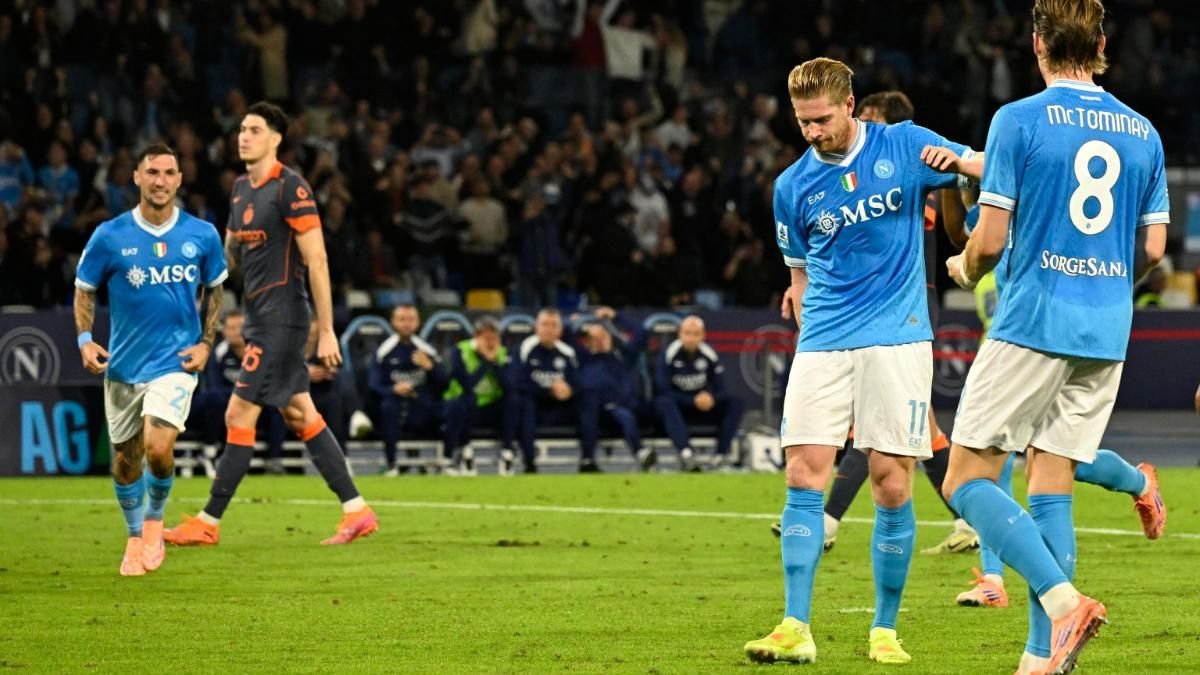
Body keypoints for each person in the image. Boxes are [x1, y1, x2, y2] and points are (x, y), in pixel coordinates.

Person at [941, 2, 1169, 672]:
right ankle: (1041, 656)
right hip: (1107, 328)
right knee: (1051, 478)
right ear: (1101, 43)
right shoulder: (1144, 131)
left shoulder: (1017, 120)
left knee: (966, 478)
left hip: (1035, 320)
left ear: (1037, 43)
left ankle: (1064, 604)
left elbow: (989, 240)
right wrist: (1109, 283)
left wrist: (965, 267)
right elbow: (1155, 248)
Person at [743, 57, 981, 666]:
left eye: (822, 119)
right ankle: (794, 625)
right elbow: (797, 273)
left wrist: (961, 168)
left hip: (897, 339)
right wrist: (804, 315)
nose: (813, 132)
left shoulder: (904, 144)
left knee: (891, 481)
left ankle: (884, 628)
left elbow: (986, 166)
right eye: (803, 122)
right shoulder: (792, 187)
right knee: (803, 474)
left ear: (850, 105)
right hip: (824, 340)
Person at [941, 166, 1166, 613]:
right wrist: (956, 187)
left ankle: (1139, 482)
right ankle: (1001, 585)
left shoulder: (1041, 207)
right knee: (1025, 466)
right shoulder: (1000, 214)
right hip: (1016, 346)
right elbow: (962, 231)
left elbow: (969, 241)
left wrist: (961, 176)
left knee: (1030, 465)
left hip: (1041, 338)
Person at [166, 102, 377, 547]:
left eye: (255, 130)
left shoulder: (290, 188)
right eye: (242, 129)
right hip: (259, 318)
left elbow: (317, 260)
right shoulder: (241, 189)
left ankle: (208, 520)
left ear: (276, 138)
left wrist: (326, 329)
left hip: (284, 320)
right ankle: (356, 510)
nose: (244, 136)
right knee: (300, 413)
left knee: (238, 413)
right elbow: (228, 257)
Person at [815, 90, 977, 555]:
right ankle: (968, 519)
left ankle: (827, 521)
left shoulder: (908, 172)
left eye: (870, 116)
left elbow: (955, 230)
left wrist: (955, 179)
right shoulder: (860, 173)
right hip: (878, 306)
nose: (860, 123)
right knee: (917, 427)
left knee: (878, 421)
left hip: (908, 306)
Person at [73, 142, 228, 575]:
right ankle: (133, 536)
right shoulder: (110, 235)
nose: (161, 181)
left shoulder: (202, 234)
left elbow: (215, 289)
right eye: (153, 172)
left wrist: (206, 343)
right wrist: (85, 339)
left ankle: (155, 520)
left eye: (169, 173)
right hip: (124, 365)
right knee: (126, 460)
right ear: (137, 177)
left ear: (180, 179)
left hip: (175, 363)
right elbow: (84, 290)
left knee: (158, 448)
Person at [193, 310, 287, 473]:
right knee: (214, 399)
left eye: (240, 327)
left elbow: (269, 386)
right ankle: (211, 449)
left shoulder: (262, 352)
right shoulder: (218, 352)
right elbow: (214, 387)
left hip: (255, 407)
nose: (237, 332)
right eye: (231, 328)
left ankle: (274, 459)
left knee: (276, 403)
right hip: (227, 407)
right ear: (224, 332)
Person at [653, 316, 744, 472]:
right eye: (687, 333)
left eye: (696, 334)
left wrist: (711, 398)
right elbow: (662, 390)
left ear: (703, 335)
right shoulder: (668, 354)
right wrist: (691, 400)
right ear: (680, 333)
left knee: (735, 403)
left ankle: (720, 455)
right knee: (664, 403)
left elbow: (721, 389)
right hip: (678, 408)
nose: (691, 338)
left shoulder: (709, 354)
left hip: (702, 407)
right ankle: (686, 454)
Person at [369, 304, 447, 474]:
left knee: (447, 407)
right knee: (388, 406)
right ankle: (392, 463)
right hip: (394, 403)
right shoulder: (384, 351)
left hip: (421, 405)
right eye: (402, 319)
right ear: (393, 322)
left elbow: (444, 383)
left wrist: (430, 367)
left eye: (411, 319)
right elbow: (373, 385)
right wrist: (393, 389)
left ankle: (446, 462)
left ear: (418, 323)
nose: (406, 324)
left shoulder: (427, 350)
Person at [443, 315, 526, 475]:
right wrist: (484, 361)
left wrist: (494, 363)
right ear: (476, 337)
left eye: (495, 339)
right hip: (464, 408)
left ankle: (507, 453)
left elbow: (510, 386)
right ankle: (464, 451)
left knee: (514, 400)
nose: (491, 343)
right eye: (487, 338)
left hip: (492, 409)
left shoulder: (504, 354)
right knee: (466, 400)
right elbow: (468, 385)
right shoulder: (460, 351)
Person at [578, 308, 657, 472]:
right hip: (596, 411)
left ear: (610, 337)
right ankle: (588, 459)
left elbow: (643, 333)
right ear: (587, 342)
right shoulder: (583, 359)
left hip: (626, 407)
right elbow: (564, 333)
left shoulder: (623, 356)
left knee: (632, 412)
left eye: (603, 336)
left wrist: (617, 316)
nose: (600, 341)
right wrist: (579, 322)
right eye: (595, 338)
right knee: (599, 406)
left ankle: (642, 453)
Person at [513, 308, 587, 471]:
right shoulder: (525, 348)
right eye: (545, 324)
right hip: (534, 405)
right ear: (537, 327)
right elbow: (517, 382)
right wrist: (548, 391)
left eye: (554, 325)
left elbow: (578, 382)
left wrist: (570, 390)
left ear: (560, 330)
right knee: (522, 402)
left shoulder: (567, 352)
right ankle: (529, 463)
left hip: (559, 407)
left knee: (588, 399)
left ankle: (588, 460)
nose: (549, 329)